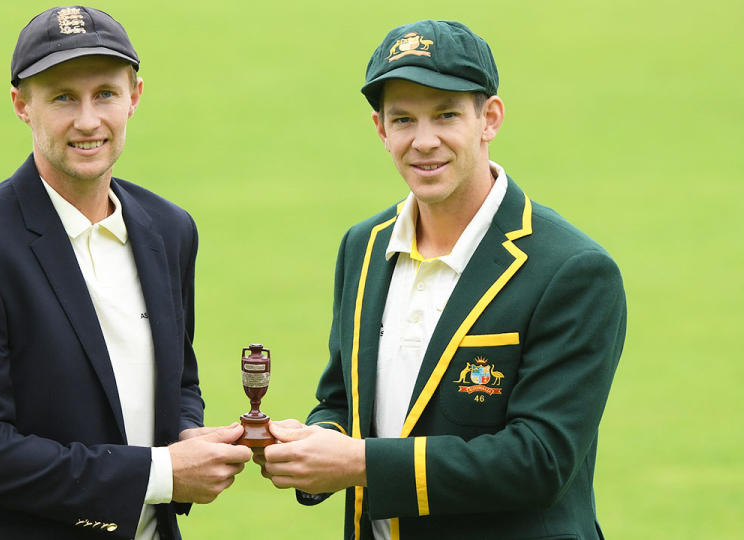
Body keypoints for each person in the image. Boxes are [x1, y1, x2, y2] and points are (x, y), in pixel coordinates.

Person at [257, 20, 627, 539]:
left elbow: (539, 460)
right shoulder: (363, 247)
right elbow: (342, 398)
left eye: (446, 115)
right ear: (380, 129)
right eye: (403, 119)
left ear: (489, 118)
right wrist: (314, 443)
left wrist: (359, 463)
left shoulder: (573, 271)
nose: (423, 141)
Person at [0, 6, 251, 540]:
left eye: (105, 94)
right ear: (22, 105)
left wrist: (189, 435)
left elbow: (179, 378)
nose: (88, 120)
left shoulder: (169, 229)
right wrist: (163, 473)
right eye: (63, 97)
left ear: (134, 96)